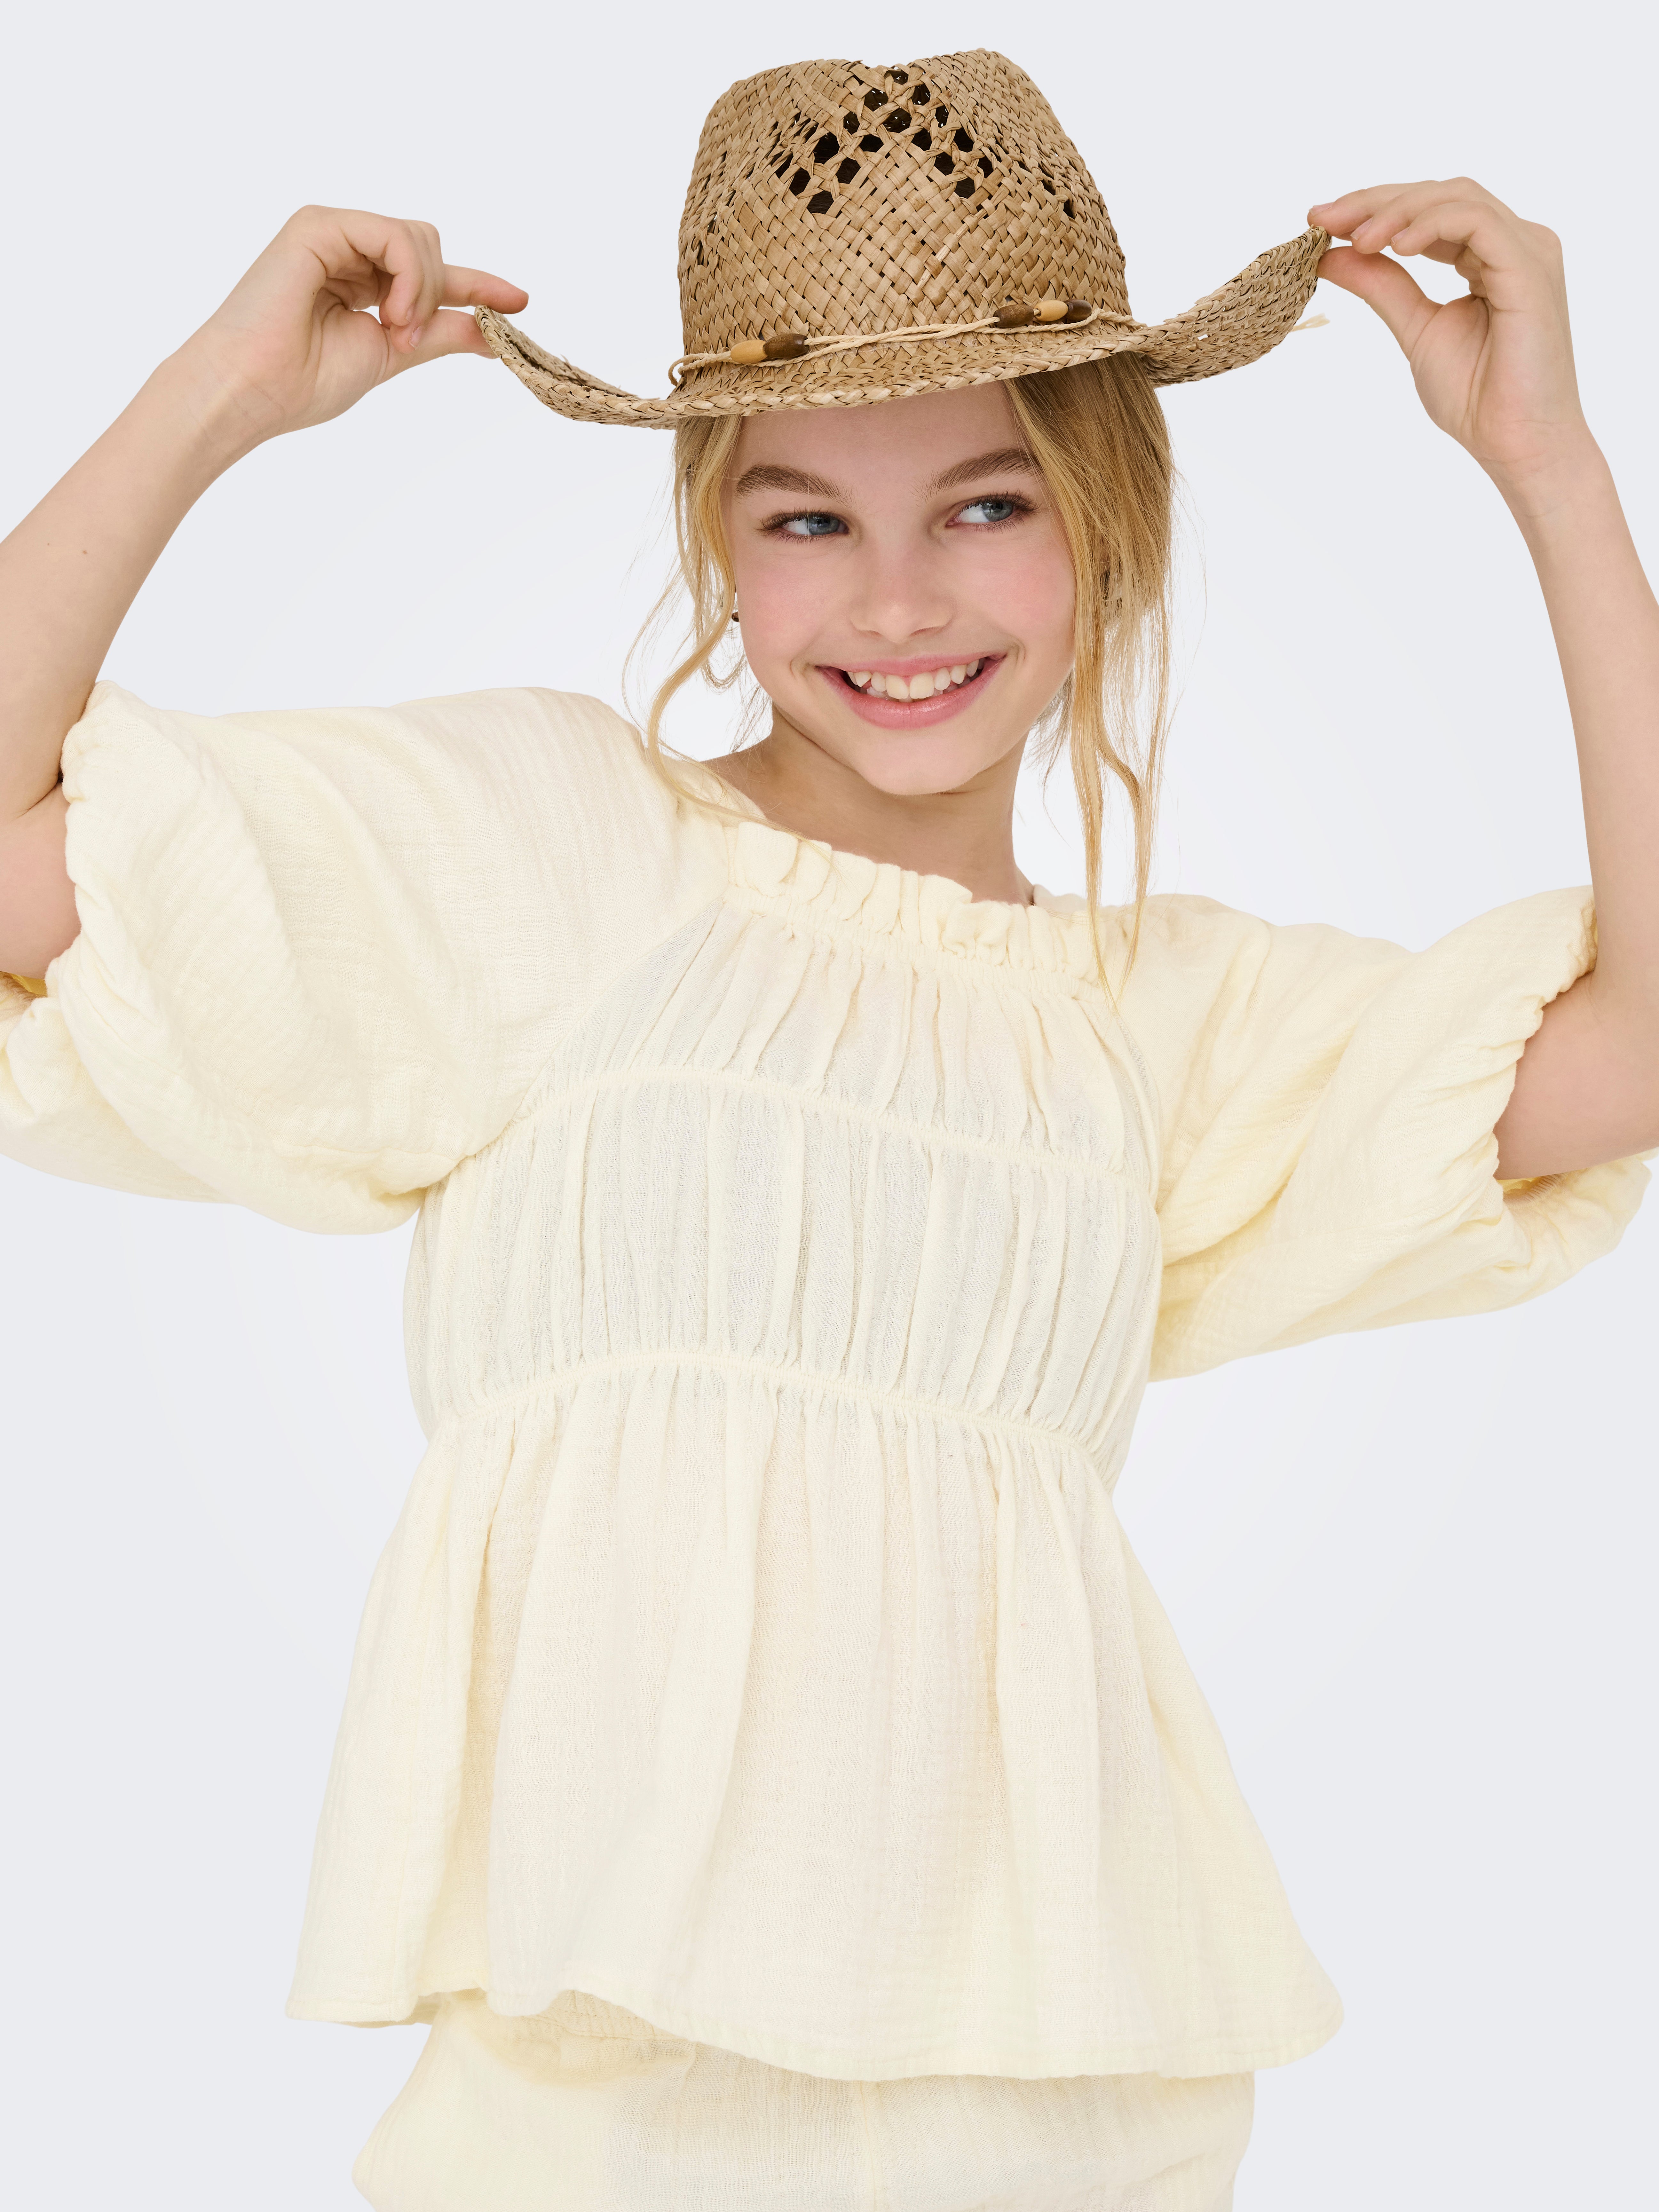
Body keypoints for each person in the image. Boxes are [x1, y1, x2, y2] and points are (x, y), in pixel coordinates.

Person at [0, 45, 1652, 2212]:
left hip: (1054, 2112)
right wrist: (211, 398)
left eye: (985, 504)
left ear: (1112, 526)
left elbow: (1634, 1040)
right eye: (806, 520)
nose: (895, 605)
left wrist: (1547, 467)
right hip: (587, 2108)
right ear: (716, 543)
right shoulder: (560, 844)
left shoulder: (1153, 1025)